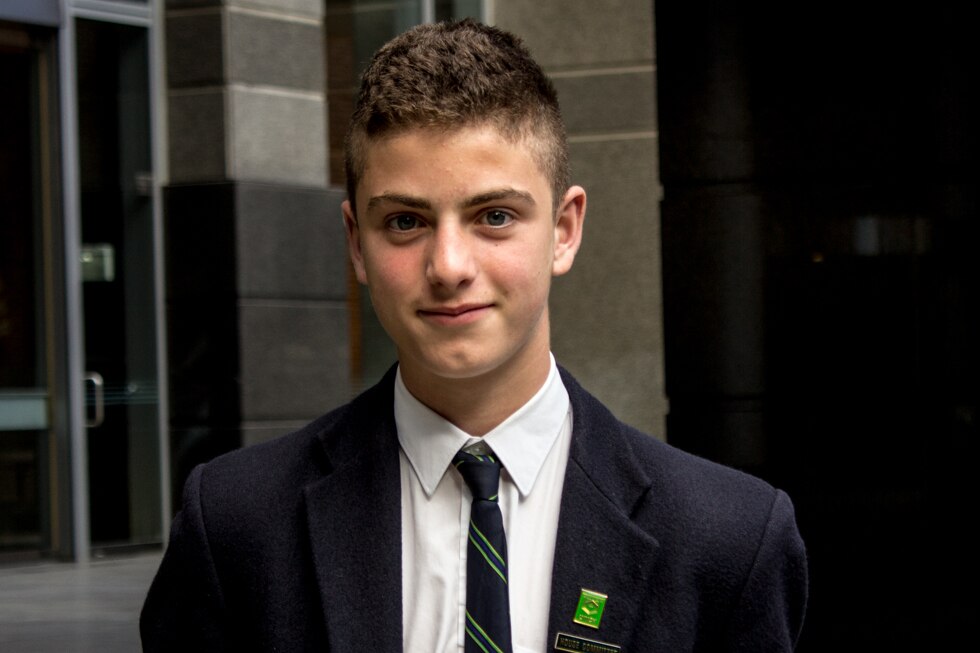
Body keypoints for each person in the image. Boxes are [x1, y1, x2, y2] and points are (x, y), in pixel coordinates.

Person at [141, 19, 807, 652]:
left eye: (493, 215)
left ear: (564, 230)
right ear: (356, 243)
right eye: (405, 222)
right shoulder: (236, 525)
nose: (449, 266)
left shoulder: (729, 540)